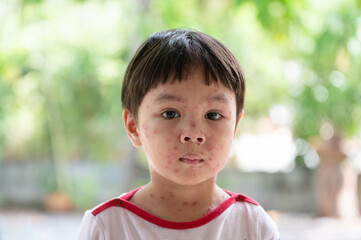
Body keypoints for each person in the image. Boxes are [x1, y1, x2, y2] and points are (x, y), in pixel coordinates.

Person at [78, 28, 280, 239]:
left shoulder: (253, 226)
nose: (193, 133)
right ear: (133, 126)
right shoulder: (106, 226)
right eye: (170, 113)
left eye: (212, 115)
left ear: (235, 127)